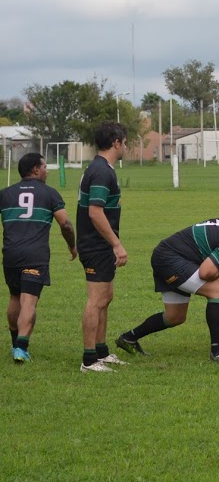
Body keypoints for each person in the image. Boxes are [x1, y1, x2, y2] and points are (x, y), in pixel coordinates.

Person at [115, 214, 219, 362]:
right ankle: (218, 352)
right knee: (218, 291)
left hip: (169, 255)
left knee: (174, 317)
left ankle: (129, 338)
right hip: (171, 259)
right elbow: (206, 273)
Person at [2, 153, 77, 364]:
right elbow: (65, 224)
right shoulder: (50, 194)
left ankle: (15, 342)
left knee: (15, 297)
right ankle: (21, 348)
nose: (47, 170)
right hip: (35, 255)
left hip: (11, 255)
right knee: (29, 301)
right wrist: (72, 246)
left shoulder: (5, 193)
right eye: (45, 166)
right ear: (36, 170)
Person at [76, 121, 129, 373]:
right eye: (125, 142)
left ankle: (101, 351)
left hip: (100, 245)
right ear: (116, 142)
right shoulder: (101, 172)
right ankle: (88, 361)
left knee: (106, 297)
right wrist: (117, 245)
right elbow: (95, 212)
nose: (126, 147)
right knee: (96, 299)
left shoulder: (102, 168)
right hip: (96, 245)